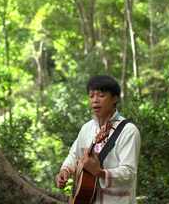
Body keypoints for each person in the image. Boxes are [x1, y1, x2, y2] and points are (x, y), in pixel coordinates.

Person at [55, 75, 141, 204]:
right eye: (91, 96)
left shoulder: (128, 131)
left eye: (101, 96)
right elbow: (74, 154)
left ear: (115, 98)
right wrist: (65, 170)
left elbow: (129, 173)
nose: (95, 100)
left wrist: (100, 173)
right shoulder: (87, 128)